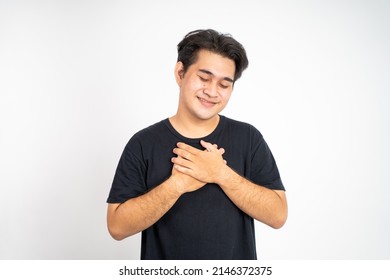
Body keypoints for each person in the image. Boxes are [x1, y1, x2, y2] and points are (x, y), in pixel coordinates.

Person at [106, 29, 288, 260]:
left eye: (224, 84)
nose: (212, 92)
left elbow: (278, 215)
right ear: (180, 73)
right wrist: (176, 185)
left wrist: (221, 174)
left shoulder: (249, 138)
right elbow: (117, 227)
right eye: (204, 78)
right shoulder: (143, 143)